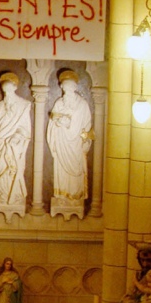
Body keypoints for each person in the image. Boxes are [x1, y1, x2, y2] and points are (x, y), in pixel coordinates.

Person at [0, 72, 33, 209]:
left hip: (14, 146)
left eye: (9, 91)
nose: (7, 94)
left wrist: (17, 136)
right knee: (1, 170)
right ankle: (2, 194)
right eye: (4, 91)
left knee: (13, 170)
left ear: (15, 88)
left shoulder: (23, 105)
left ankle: (16, 194)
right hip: (0, 145)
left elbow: (25, 128)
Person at [47, 70, 93, 203]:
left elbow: (87, 125)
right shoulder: (59, 104)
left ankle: (76, 195)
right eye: (65, 87)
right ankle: (62, 195)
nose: (67, 90)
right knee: (61, 171)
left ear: (75, 87)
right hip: (62, 143)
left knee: (76, 172)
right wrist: (58, 124)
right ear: (61, 87)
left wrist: (73, 128)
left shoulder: (82, 105)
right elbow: (52, 124)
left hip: (76, 144)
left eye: (70, 87)